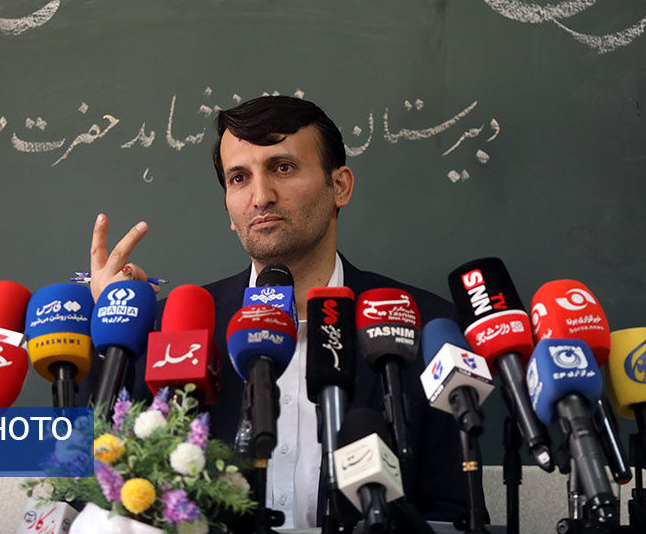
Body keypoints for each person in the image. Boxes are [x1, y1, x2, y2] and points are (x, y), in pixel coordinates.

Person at [87, 96, 480, 529]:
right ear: (229, 207)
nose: (261, 197)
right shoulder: (170, 329)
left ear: (340, 186)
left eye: (283, 168)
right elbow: (102, 478)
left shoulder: (426, 325)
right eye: (239, 178)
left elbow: (453, 512)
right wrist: (112, 336)